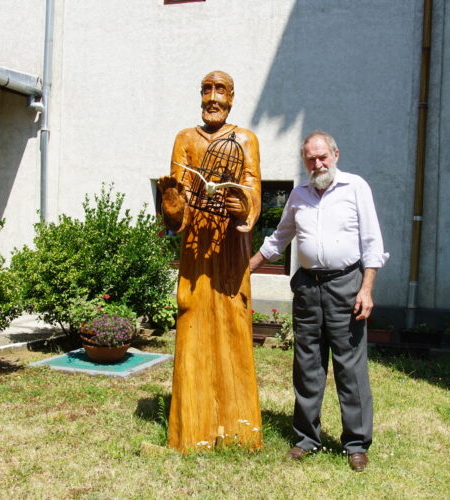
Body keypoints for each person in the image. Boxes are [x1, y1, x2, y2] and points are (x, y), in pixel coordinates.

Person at [250, 130, 388, 471]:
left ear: (335, 155)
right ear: (304, 161)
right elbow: (279, 238)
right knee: (307, 365)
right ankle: (306, 438)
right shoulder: (299, 195)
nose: (318, 163)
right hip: (308, 289)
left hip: (346, 286)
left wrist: (366, 288)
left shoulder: (355, 188)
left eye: (323, 156)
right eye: (311, 159)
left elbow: (372, 242)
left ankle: (356, 443)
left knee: (350, 368)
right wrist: (247, 268)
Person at [157, 71, 263, 452]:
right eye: (207, 90)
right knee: (193, 330)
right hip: (196, 257)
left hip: (231, 256)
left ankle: (239, 431)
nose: (212, 98)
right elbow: (179, 205)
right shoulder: (185, 139)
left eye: (220, 91)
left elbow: (253, 190)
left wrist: (243, 205)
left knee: (235, 331)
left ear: (231, 98)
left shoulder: (245, 140)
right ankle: (192, 428)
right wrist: (172, 206)